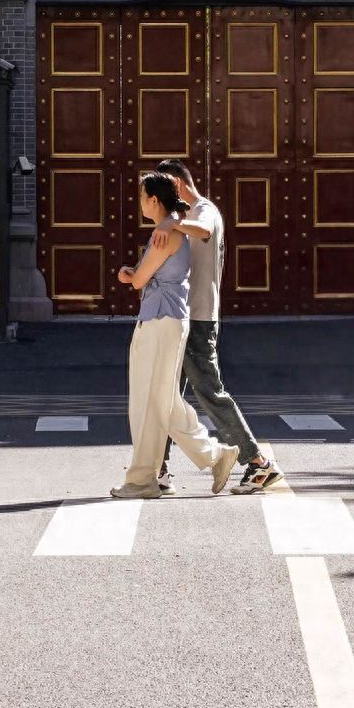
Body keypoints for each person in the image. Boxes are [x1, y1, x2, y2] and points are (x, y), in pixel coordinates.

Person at [150, 159, 285, 494]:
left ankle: (258, 464)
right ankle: (158, 469)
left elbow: (204, 231)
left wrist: (172, 224)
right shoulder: (181, 216)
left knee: (209, 392)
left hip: (198, 318)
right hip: (180, 316)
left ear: (177, 183)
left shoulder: (203, 210)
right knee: (166, 396)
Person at [111, 171, 239, 501]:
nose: (139, 202)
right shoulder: (172, 229)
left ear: (154, 201)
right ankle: (213, 456)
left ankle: (142, 479)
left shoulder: (164, 234)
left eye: (142, 196)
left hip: (159, 321)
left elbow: (140, 280)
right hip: (168, 320)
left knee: (147, 400)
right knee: (163, 400)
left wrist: (127, 275)